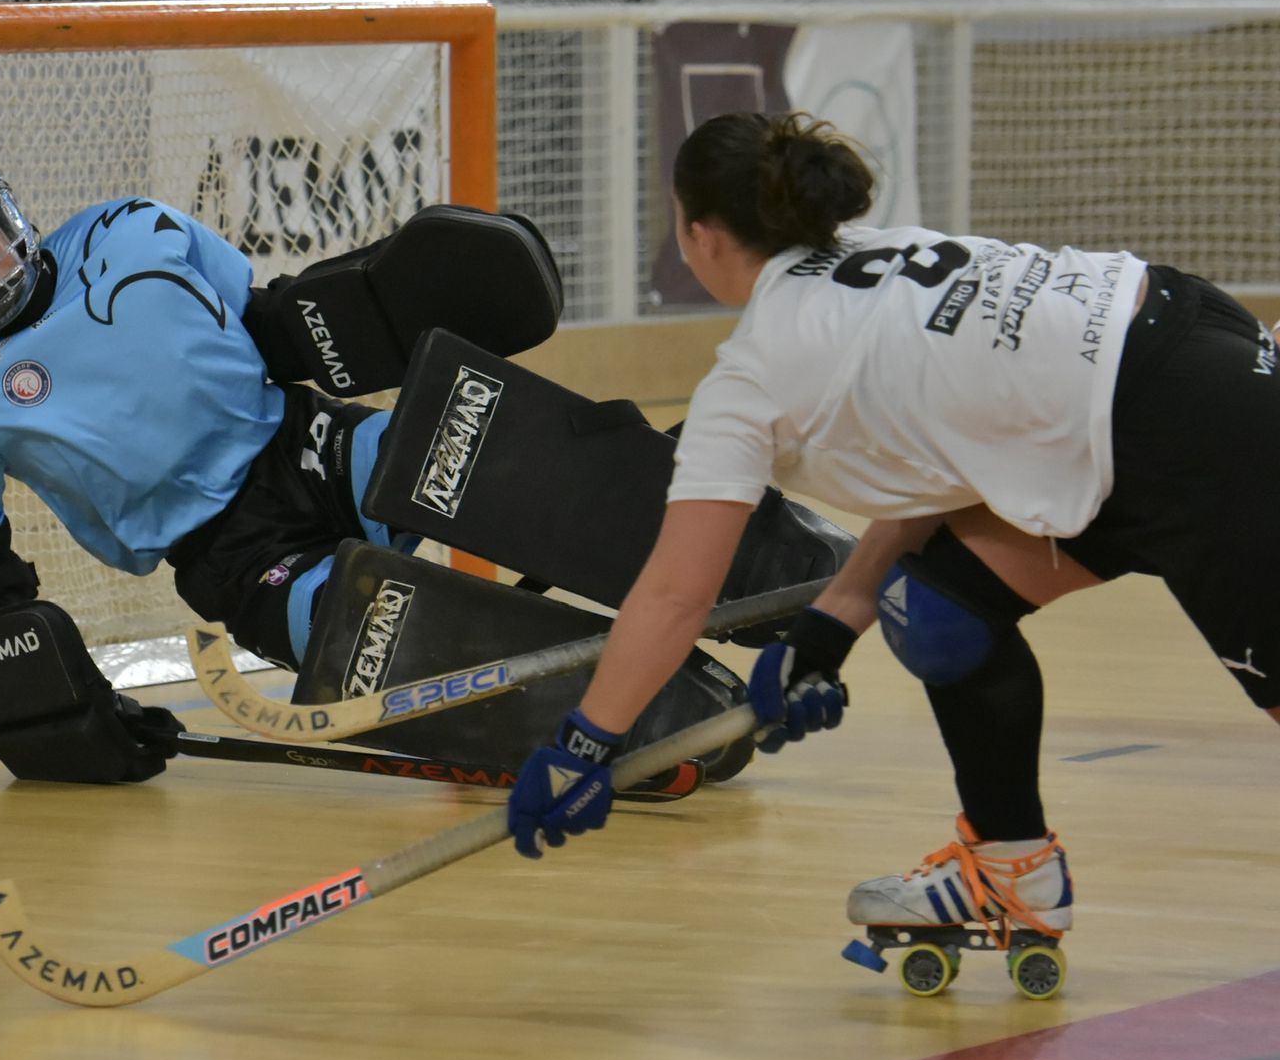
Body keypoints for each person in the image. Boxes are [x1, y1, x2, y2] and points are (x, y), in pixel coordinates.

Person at [507, 110, 1280, 952]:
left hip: (1192, 438)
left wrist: (585, 744)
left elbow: (675, 594)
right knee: (942, 611)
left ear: (700, 235)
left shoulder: (754, 378)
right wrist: (832, 624)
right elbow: (945, 463)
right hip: (1175, 358)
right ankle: (1011, 872)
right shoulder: (880, 256)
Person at [0, 158, 561, 784]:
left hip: (311, 444)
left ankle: (656, 530)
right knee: (366, 633)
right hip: (232, 554)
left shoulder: (128, 229)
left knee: (485, 447)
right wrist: (56, 702)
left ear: (5, 222)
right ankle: (584, 711)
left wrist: (388, 301)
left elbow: (265, 323)